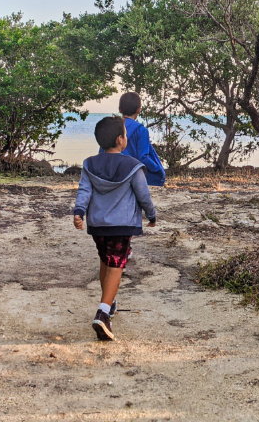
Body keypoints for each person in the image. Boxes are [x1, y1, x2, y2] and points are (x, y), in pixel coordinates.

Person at [73, 115, 156, 341]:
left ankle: (109, 303)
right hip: (122, 225)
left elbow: (84, 191)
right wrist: (151, 214)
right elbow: (143, 194)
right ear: (120, 139)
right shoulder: (133, 166)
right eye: (126, 134)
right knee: (116, 264)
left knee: (105, 261)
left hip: (98, 225)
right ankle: (103, 312)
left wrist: (79, 212)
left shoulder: (90, 164)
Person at [117, 92, 166, 187]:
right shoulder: (140, 130)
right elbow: (143, 157)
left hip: (113, 175)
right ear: (138, 110)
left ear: (120, 109)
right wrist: (158, 169)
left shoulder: (112, 127)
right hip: (132, 176)